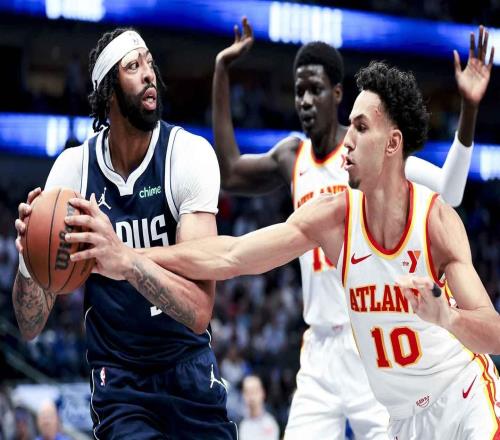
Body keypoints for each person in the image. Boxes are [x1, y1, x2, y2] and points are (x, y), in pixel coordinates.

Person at [65, 28, 500, 438]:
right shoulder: (329, 211)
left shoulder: (433, 219)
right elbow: (231, 254)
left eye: (361, 127)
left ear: (392, 144)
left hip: (460, 399)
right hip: (386, 401)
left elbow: (494, 330)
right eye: (350, 125)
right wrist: (128, 256)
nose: (348, 140)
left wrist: (447, 317)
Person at [211, 18, 491, 439]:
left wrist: (468, 110)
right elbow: (231, 171)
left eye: (315, 90)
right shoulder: (292, 157)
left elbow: (450, 191)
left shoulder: (375, 153)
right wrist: (220, 71)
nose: (305, 101)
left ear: (337, 95)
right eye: (298, 92)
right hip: (320, 344)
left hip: (373, 344)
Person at [13, 28, 237, 439]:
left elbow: (199, 310)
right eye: (133, 66)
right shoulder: (74, 172)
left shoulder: (187, 155)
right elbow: (29, 325)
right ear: (108, 93)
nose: (149, 73)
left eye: (150, 62)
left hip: (186, 366)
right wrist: (30, 258)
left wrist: (125, 259)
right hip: (119, 380)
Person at [239, 375, 279, 440]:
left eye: (254, 391)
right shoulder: (240, 425)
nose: (251, 397)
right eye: (247, 392)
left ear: (263, 393)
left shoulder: (270, 423)